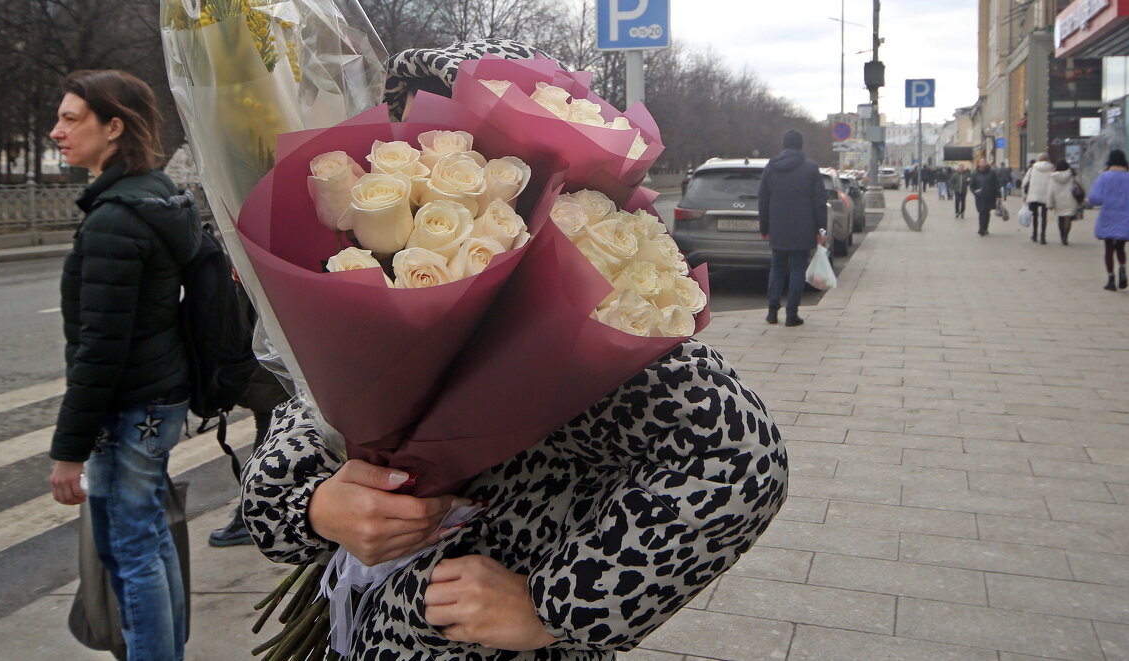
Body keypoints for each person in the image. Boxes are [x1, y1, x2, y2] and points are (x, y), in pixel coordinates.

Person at [240, 40, 790, 660]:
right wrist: (315, 507)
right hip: (357, 622)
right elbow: (316, 407)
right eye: (409, 121)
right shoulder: (371, 263)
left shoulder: (587, 309)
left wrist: (558, 607)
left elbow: (739, 456)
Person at [48, 70, 201, 661]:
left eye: (71, 119)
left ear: (114, 128)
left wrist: (69, 450)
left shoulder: (116, 220)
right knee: (147, 539)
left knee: (131, 547)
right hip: (156, 394)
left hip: (132, 401)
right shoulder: (153, 197)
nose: (57, 130)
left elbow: (101, 349)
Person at [207, 281, 289, 547]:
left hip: (269, 364)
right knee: (269, 432)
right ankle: (253, 512)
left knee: (269, 437)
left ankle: (252, 514)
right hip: (264, 363)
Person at [759, 129, 828, 327]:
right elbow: (819, 202)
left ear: (783, 144)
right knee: (798, 269)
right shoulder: (810, 169)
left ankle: (772, 311)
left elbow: (763, 200)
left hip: (778, 228)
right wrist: (821, 230)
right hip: (803, 229)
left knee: (777, 267)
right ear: (800, 145)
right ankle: (792, 314)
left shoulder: (771, 168)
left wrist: (764, 227)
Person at [1087, 149, 1129, 291]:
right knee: (1120, 247)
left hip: (1108, 218)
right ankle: (1123, 268)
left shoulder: (1103, 178)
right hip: (1126, 218)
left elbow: (1094, 199)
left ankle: (1111, 279)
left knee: (1108, 249)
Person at [1046, 159, 1081, 246]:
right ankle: (1066, 236)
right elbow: (1079, 185)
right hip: (1071, 199)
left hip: (1058, 201)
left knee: (1060, 218)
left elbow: (1050, 191)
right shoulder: (1072, 175)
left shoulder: (1053, 176)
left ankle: (1062, 236)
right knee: (1068, 219)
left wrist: (1049, 204)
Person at [1023, 153, 1054, 244]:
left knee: (1035, 216)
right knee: (1044, 217)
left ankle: (1034, 235)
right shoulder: (1051, 169)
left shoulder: (1032, 168)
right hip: (1045, 195)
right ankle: (1043, 237)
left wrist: (1024, 195)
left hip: (1033, 195)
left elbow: (1025, 182)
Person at [970, 156, 1000, 236]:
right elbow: (972, 185)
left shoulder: (991, 172)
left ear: (986, 163)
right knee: (982, 212)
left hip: (990, 196)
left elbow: (996, 184)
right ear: (978, 164)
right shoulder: (975, 173)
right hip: (980, 197)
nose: (982, 163)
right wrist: (975, 193)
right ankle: (981, 229)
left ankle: (985, 228)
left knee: (987, 212)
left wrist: (998, 195)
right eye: (981, 162)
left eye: (984, 162)